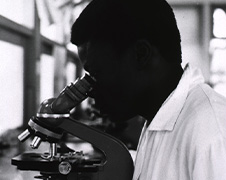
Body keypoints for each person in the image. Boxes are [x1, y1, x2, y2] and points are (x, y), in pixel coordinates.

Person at [70, 0, 226, 179]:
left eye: (97, 73)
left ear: (141, 54)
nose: (90, 91)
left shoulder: (212, 133)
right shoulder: (155, 120)